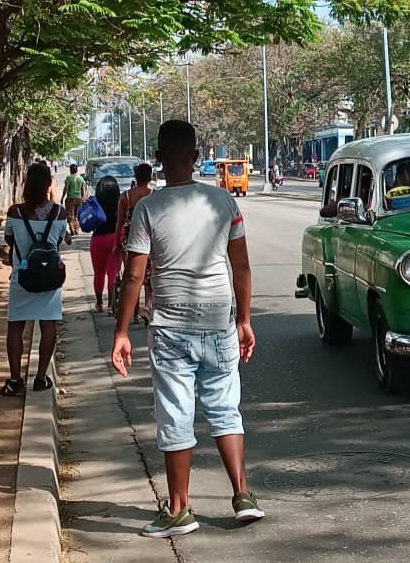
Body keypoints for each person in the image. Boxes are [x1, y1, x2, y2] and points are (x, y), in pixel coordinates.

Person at [111, 120, 262, 538]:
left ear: (158, 160)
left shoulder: (147, 209)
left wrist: (122, 331)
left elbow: (134, 277)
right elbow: (242, 267)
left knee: (176, 415)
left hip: (172, 326)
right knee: (225, 407)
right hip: (219, 321)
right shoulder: (224, 203)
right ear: (196, 157)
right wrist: (244, 320)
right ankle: (243, 495)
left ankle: (179, 510)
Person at [1, 163, 71, 396]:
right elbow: (59, 241)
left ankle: (15, 380)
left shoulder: (14, 212)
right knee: (48, 324)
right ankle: (41, 378)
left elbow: (10, 241)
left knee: (15, 327)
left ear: (26, 183)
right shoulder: (59, 213)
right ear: (49, 184)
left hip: (21, 276)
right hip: (50, 278)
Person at [115, 163, 154, 324]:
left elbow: (120, 221)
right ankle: (148, 307)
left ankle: (136, 313)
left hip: (130, 239)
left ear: (135, 177)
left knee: (133, 275)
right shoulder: (153, 196)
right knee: (149, 278)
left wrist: (117, 242)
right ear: (150, 176)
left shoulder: (126, 197)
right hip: (151, 238)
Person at [90, 176, 122, 314]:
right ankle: (111, 304)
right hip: (115, 238)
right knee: (113, 273)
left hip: (97, 239)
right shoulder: (120, 202)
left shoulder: (95, 203)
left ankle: (98, 303)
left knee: (99, 273)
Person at [62, 164, 87, 235]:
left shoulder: (69, 178)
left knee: (70, 214)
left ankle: (72, 228)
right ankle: (77, 229)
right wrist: (83, 198)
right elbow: (83, 189)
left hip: (70, 198)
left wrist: (62, 197)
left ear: (70, 170)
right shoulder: (81, 178)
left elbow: (66, 188)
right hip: (79, 198)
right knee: (77, 215)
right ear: (77, 170)